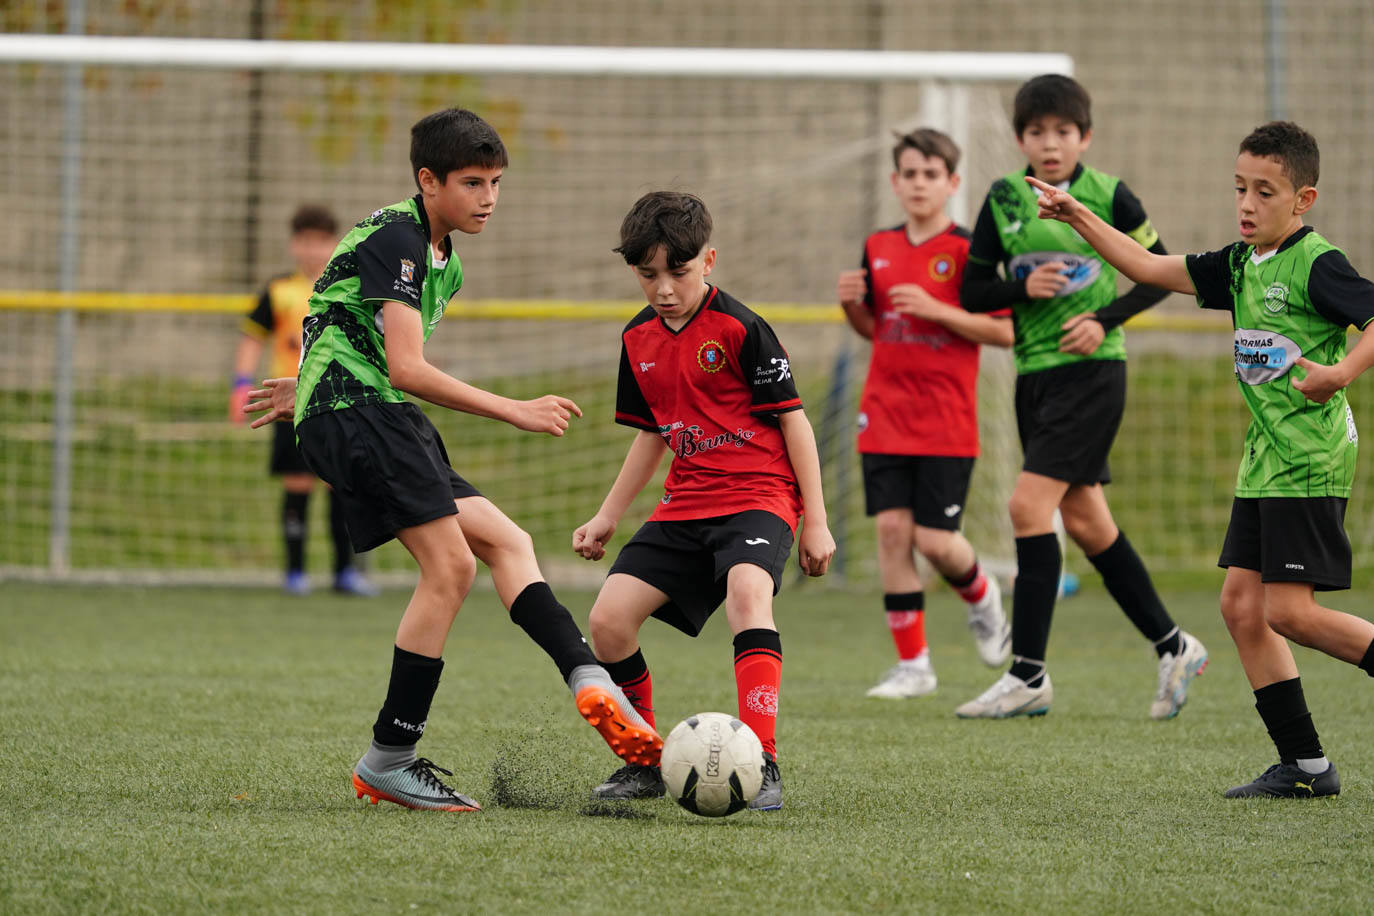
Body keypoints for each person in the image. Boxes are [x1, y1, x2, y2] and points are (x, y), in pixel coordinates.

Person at [244, 108, 660, 812]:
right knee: (452, 567)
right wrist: (516, 408)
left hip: (360, 407)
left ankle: (590, 679)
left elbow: (347, 322)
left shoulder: (445, 262)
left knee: (507, 542)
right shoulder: (400, 236)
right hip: (366, 410)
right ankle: (389, 759)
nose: (489, 197)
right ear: (427, 180)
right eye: (472, 182)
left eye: (497, 182)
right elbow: (406, 366)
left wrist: (308, 379)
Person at [1027, 120, 1374, 797]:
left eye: (1265, 192)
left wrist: (1342, 374)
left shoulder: (1317, 263)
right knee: (1241, 607)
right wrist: (1078, 215)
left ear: (1303, 200)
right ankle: (1305, 766)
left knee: (1290, 613)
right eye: (1240, 188)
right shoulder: (1242, 264)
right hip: (1266, 460)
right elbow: (1149, 267)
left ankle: (1306, 764)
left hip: (1308, 458)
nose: (1246, 204)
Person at [571, 191, 835, 810]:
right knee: (607, 622)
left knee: (749, 592)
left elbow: (795, 423)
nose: (663, 288)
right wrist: (608, 515)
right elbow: (651, 435)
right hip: (686, 503)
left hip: (758, 494)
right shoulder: (636, 339)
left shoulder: (742, 328)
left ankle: (763, 760)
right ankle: (641, 759)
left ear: (708, 259)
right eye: (647, 274)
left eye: (678, 272)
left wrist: (816, 520)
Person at [956, 74, 1208, 720]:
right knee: (1090, 522)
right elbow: (971, 291)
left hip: (1094, 371)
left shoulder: (1109, 196)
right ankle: (1175, 645)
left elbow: (1160, 273)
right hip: (1033, 374)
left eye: (1062, 132)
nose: (1050, 143)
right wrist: (1023, 287)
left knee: (1025, 505)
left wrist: (1106, 319)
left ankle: (1028, 674)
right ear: (1020, 139)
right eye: (1037, 132)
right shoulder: (1005, 200)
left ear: (1084, 137)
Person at [836, 127, 1014, 699]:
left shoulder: (969, 252)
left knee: (936, 542)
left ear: (952, 183)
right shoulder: (877, 246)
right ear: (895, 181)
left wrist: (940, 310)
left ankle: (982, 593)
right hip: (884, 411)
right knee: (892, 532)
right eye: (909, 173)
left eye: (930, 174)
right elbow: (877, 328)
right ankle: (914, 666)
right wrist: (852, 308)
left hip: (945, 415)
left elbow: (1006, 330)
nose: (919, 183)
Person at [230, 205, 378, 597]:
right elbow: (252, 338)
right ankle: (295, 572)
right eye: (305, 241)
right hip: (289, 405)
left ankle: (344, 572)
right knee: (297, 484)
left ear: (334, 244)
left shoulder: (348, 287)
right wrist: (240, 384)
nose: (313, 250)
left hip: (336, 401)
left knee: (340, 485)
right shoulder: (279, 290)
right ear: (293, 244)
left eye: (321, 241)